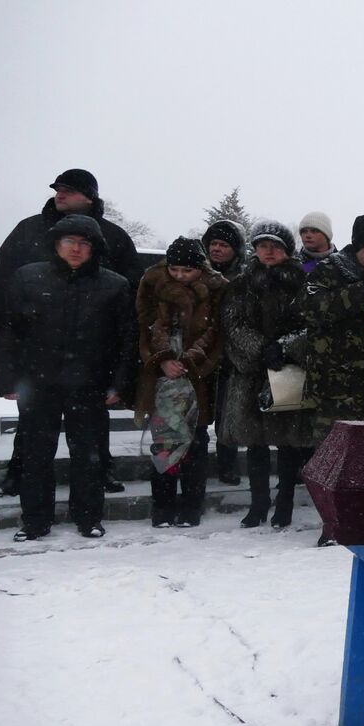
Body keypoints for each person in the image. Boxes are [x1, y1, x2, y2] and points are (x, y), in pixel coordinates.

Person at [0, 169, 138, 499]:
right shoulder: (28, 229)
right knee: (32, 430)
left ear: (90, 198)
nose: (60, 194)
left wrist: (122, 370)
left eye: (69, 190)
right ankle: (18, 472)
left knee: (91, 429)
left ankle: (102, 473)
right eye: (58, 189)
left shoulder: (113, 235)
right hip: (39, 354)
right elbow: (2, 286)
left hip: (90, 357)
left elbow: (132, 292)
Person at [220, 222, 316, 528]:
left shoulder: (304, 282)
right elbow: (233, 324)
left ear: (287, 250)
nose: (269, 251)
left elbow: (313, 322)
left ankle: (284, 503)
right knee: (255, 442)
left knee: (289, 442)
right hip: (251, 372)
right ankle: (258, 503)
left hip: (288, 369)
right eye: (263, 245)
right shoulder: (241, 283)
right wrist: (262, 348)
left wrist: (286, 347)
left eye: (275, 246)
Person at [135, 237, 229, 527]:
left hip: (197, 377)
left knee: (196, 444)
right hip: (162, 377)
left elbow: (217, 332)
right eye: (175, 270)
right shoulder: (153, 283)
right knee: (164, 442)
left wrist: (191, 362)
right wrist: (162, 358)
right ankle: (162, 506)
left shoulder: (218, 288)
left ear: (199, 268)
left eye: (187, 271)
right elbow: (147, 325)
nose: (180, 276)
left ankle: (191, 506)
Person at [300, 214, 364, 442]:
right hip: (336, 386)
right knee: (334, 455)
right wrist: (362, 291)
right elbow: (312, 309)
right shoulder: (329, 270)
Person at [202, 219, 247, 484]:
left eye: (224, 245)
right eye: (213, 244)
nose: (217, 249)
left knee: (227, 415)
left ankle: (226, 463)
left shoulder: (242, 278)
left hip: (230, 355)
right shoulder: (195, 273)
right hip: (201, 353)